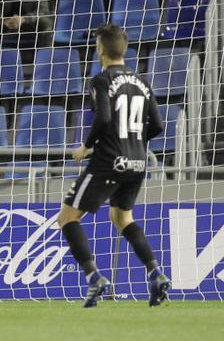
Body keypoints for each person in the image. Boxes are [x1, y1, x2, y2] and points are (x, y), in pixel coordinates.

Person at [57, 23, 170, 308]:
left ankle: (94, 278)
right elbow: (157, 125)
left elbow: (104, 118)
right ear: (125, 48)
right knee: (122, 218)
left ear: (100, 49)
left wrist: (85, 146)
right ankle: (155, 273)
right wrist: (133, 140)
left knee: (67, 218)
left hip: (109, 160)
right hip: (138, 160)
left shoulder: (101, 80)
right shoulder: (142, 82)